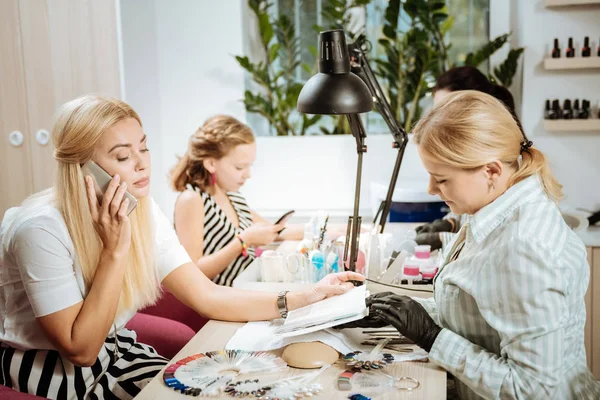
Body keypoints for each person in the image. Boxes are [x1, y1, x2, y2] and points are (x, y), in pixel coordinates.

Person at [0, 95, 363, 399]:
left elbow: (207, 295)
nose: (142, 163)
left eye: (143, 147)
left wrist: (303, 297)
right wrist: (114, 251)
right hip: (48, 369)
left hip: (115, 350)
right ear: (82, 170)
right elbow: (80, 351)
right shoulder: (40, 231)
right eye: (123, 157)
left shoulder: (140, 208)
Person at [342, 91, 599, 399]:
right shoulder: (494, 210)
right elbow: (481, 311)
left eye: (441, 179)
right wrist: (401, 311)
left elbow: (535, 391)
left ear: (490, 171)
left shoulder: (525, 248)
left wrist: (431, 336)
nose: (431, 189)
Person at [169, 115, 345, 287]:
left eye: (249, 166)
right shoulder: (192, 199)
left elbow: (276, 231)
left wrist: (328, 230)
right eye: (239, 167)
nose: (248, 174)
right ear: (211, 164)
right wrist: (243, 242)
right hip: (223, 299)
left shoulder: (232, 196)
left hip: (246, 288)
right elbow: (193, 272)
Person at [416, 66, 523, 252]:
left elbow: (485, 239)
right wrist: (450, 224)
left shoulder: (521, 243)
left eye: (447, 111)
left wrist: (443, 238)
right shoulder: (483, 187)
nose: (437, 121)